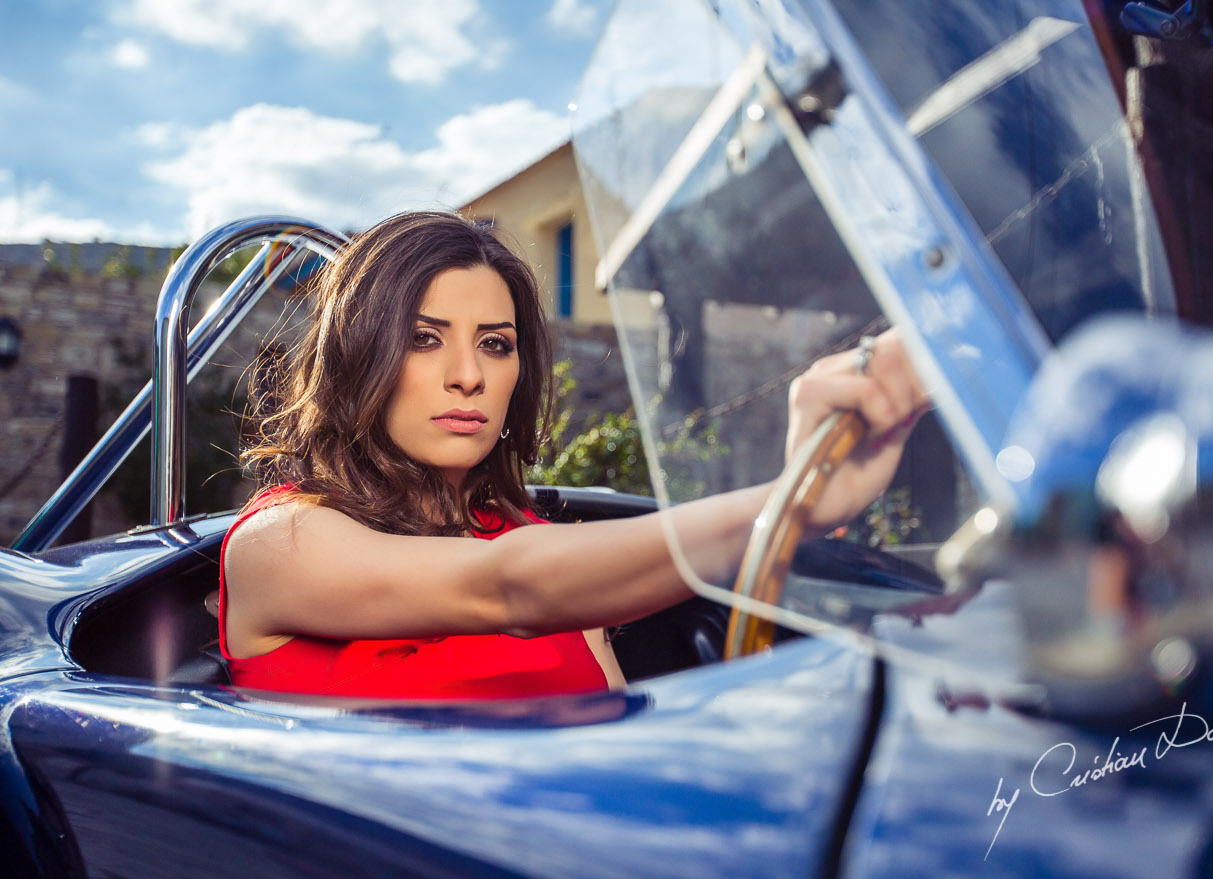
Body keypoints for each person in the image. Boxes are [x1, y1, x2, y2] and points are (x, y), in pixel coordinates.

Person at [219, 210, 929, 700]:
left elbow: (619, 730)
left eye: (495, 344)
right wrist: (791, 501)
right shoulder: (279, 543)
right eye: (423, 337)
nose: (468, 374)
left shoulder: (538, 545)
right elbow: (507, 589)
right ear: (356, 357)